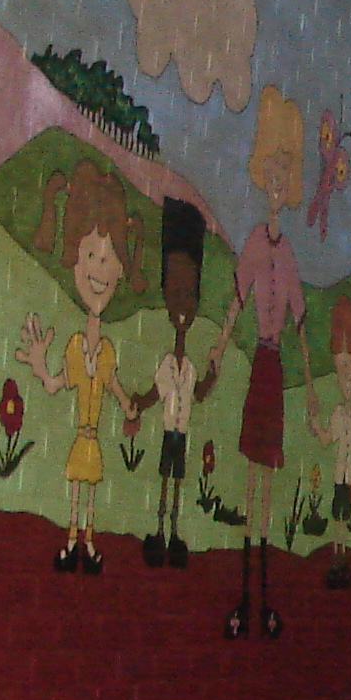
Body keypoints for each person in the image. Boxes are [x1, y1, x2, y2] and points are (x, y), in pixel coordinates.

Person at [17, 161, 146, 574]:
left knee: (89, 490)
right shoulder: (75, 347)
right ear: (74, 258)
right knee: (77, 487)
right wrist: (39, 365)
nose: (100, 270)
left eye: (109, 259)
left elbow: (116, 389)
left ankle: (86, 542)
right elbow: (57, 385)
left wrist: (130, 408)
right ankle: (71, 540)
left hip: (93, 438)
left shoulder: (105, 351)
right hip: (82, 438)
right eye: (91, 254)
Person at [229, 86, 306, 638]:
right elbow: (236, 296)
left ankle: (263, 587)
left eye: (285, 178)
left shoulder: (290, 254)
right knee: (253, 473)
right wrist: (216, 344)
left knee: (270, 473)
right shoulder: (257, 242)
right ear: (263, 179)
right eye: (271, 177)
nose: (277, 186)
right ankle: (244, 584)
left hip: (278, 366)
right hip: (260, 359)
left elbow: (302, 321)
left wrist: (312, 386)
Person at [125, 197, 237, 569]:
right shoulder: (170, 366)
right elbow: (156, 394)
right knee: (164, 479)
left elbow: (198, 394)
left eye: (188, 296)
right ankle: (160, 528)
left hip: (180, 435)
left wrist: (211, 377)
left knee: (174, 482)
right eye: (176, 296)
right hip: (170, 435)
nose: (183, 307)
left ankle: (172, 531)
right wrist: (136, 403)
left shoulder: (187, 368)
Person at [305, 294, 351, 588]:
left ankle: (341, 555)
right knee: (337, 515)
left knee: (344, 514)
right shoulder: (337, 414)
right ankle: (337, 554)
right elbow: (327, 440)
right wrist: (316, 426)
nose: (347, 378)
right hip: (338, 476)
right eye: (343, 370)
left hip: (348, 477)